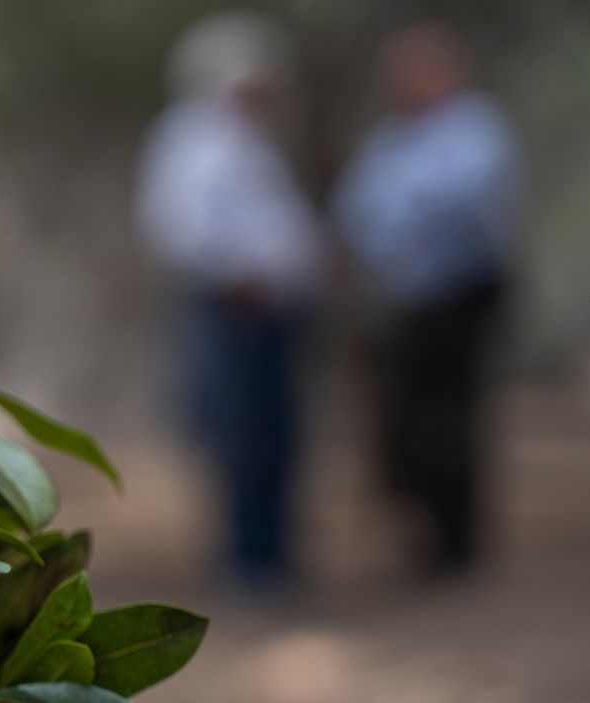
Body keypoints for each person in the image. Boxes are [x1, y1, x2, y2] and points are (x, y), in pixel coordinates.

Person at [136, 12, 322, 587]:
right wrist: (238, 280)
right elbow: (179, 230)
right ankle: (251, 560)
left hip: (271, 313)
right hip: (236, 312)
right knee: (244, 436)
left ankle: (271, 555)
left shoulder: (249, 143)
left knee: (276, 437)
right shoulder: (193, 141)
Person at [333, 23, 522, 574]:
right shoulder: (390, 141)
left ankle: (457, 540)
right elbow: (355, 213)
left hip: (461, 297)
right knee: (403, 420)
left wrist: (397, 229)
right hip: (405, 301)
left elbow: (461, 204)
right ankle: (422, 525)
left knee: (452, 418)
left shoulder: (477, 130)